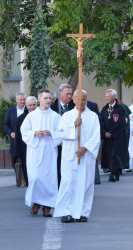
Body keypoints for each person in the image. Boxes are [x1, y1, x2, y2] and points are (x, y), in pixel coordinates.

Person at [54, 89, 101, 223]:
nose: (81, 102)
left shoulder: (93, 116)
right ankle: (67, 211)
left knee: (85, 183)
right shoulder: (67, 116)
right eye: (78, 99)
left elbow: (96, 136)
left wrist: (85, 148)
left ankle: (83, 212)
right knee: (69, 182)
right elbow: (61, 133)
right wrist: (73, 125)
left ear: (87, 100)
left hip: (86, 155)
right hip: (70, 154)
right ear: (73, 100)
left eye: (84, 99)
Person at [20, 89, 62, 217]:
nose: (48, 100)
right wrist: (34, 133)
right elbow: (24, 130)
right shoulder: (31, 116)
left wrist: (52, 133)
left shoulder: (56, 116)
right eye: (45, 98)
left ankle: (47, 207)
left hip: (49, 151)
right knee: (36, 178)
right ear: (39, 99)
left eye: (50, 98)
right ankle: (36, 203)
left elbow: (62, 133)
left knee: (49, 179)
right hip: (35, 151)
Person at [50, 83, 75, 187]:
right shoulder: (52, 107)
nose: (70, 96)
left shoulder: (75, 107)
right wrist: (59, 140)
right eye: (67, 94)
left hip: (71, 143)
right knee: (58, 167)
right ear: (60, 94)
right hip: (57, 145)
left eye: (71, 94)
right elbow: (51, 127)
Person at [100, 89, 126, 182]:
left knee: (115, 155)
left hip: (116, 136)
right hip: (107, 137)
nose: (106, 98)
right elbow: (101, 121)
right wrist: (104, 133)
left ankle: (114, 173)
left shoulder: (120, 109)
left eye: (108, 96)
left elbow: (120, 123)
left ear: (114, 97)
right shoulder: (104, 109)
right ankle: (113, 171)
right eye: (106, 96)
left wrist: (111, 132)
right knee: (109, 155)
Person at [14, 96, 38, 186]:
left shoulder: (41, 116)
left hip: (38, 148)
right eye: (30, 105)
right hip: (25, 149)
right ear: (26, 106)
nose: (32, 107)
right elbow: (18, 137)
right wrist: (17, 152)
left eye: (34, 105)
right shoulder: (20, 118)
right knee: (27, 170)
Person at [3, 92, 27, 170]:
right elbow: (5, 124)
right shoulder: (11, 111)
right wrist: (11, 133)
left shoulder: (28, 110)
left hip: (26, 141)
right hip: (14, 141)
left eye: (24, 100)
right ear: (16, 100)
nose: (23, 101)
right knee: (14, 160)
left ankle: (26, 179)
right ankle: (18, 179)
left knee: (26, 160)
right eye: (21, 100)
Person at [118, 100, 132, 171]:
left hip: (122, 131)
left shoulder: (122, 106)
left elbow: (126, 119)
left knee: (123, 148)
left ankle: (124, 165)